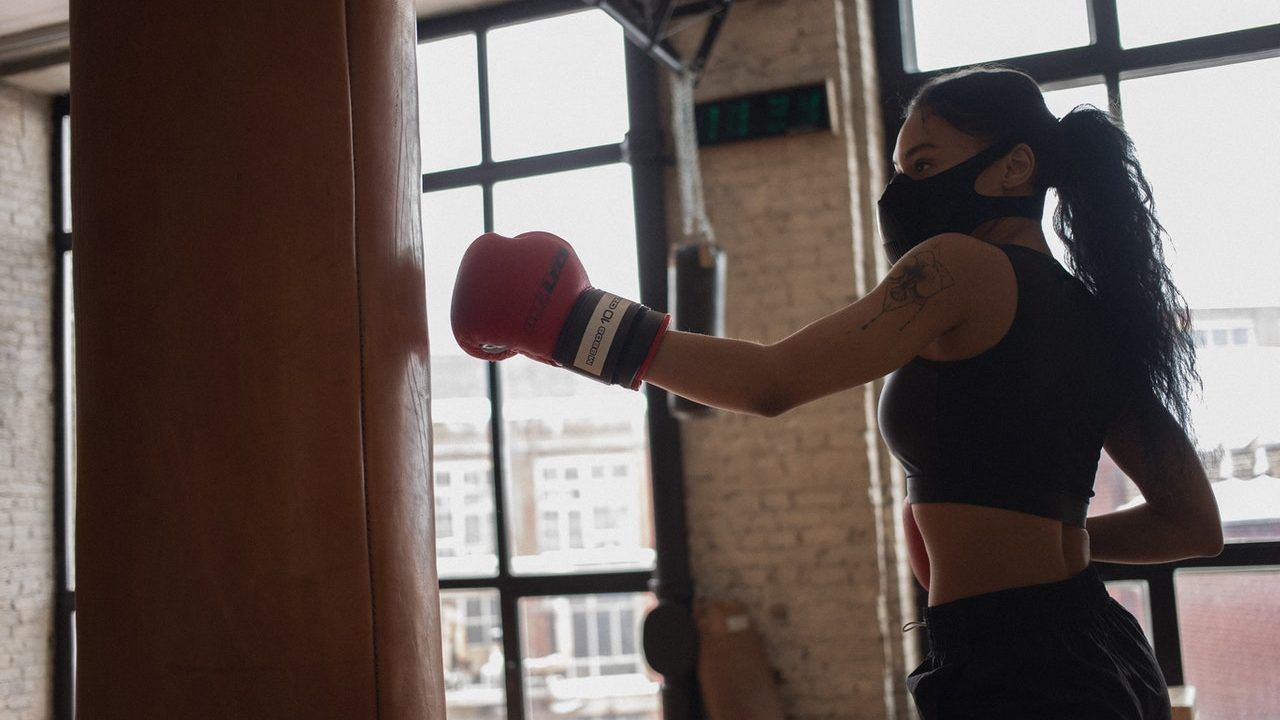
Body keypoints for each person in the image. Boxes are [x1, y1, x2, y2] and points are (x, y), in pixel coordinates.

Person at [449, 64, 1224, 720]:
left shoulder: (960, 265)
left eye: (922, 165)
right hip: (1097, 652)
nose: (898, 190)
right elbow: (1193, 523)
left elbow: (770, 381)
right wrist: (1072, 547)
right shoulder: (1091, 315)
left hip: (1014, 664)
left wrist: (574, 325)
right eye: (896, 169)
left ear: (1014, 167)